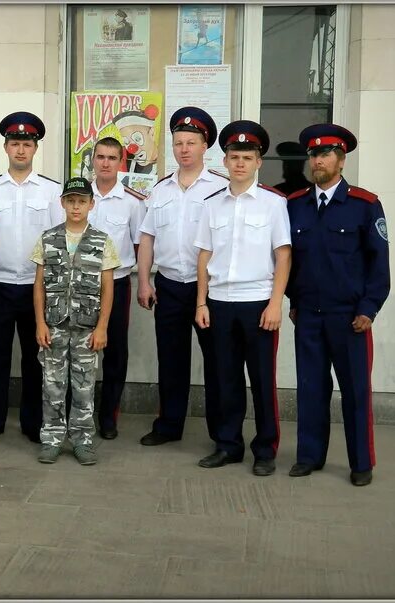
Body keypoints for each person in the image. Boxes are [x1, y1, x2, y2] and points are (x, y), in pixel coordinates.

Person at [286, 124, 390, 487]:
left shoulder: (364, 204)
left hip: (350, 318)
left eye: (326, 154)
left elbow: (379, 264)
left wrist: (369, 308)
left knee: (356, 392)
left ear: (341, 160)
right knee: (310, 388)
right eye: (313, 155)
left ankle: (361, 462)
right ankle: (310, 456)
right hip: (309, 316)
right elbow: (290, 262)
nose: (318, 160)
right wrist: (294, 301)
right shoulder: (296, 205)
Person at [194, 120, 292, 476]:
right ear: (225, 161)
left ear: (258, 162)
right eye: (234, 156)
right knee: (225, 378)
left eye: (246, 157)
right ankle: (228, 444)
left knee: (262, 380)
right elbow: (203, 255)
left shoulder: (272, 204)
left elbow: (283, 255)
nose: (239, 163)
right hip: (219, 302)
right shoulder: (212, 204)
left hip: (257, 303)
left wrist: (275, 303)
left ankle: (265, 449)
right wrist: (201, 302)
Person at [136, 107, 226, 448]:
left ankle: (222, 432)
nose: (184, 149)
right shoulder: (160, 190)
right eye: (178, 143)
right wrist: (144, 281)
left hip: (210, 290)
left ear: (205, 146)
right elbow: (147, 238)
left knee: (218, 362)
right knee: (171, 360)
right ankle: (169, 425)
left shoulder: (220, 188)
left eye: (191, 142)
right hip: (170, 286)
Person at [0, 112, 63, 443]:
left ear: (35, 148)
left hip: (35, 288)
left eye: (27, 144)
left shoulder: (51, 191)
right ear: (5, 147)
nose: (21, 150)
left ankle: (33, 422)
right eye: (15, 144)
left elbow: (58, 240)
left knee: (36, 358)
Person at [31, 177, 120, 465]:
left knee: (83, 387)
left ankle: (82, 440)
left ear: (91, 205)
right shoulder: (48, 239)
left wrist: (103, 327)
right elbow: (39, 285)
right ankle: (52, 439)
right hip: (54, 325)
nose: (76, 206)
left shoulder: (101, 241)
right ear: (62, 203)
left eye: (82, 201)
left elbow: (108, 287)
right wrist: (40, 324)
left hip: (87, 327)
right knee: (52, 385)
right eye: (71, 201)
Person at [87, 136, 147, 439]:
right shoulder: (80, 196)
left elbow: (140, 244)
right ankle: (78, 414)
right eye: (100, 157)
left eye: (112, 158)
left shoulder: (132, 202)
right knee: (77, 350)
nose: (106, 163)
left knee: (115, 352)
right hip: (81, 284)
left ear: (120, 162)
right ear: (93, 160)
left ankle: (108, 416)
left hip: (118, 283)